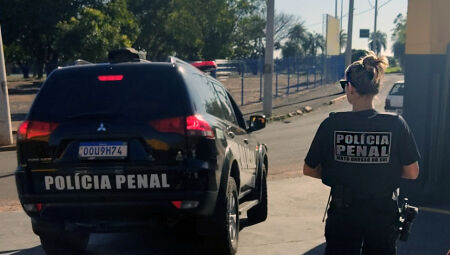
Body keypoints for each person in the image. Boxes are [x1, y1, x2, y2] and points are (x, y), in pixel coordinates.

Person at [303, 51, 420, 255]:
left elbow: (309, 169)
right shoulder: (395, 125)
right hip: (382, 214)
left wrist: (339, 173)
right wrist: (382, 172)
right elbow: (412, 172)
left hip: (343, 214)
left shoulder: (332, 124)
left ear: (349, 88)